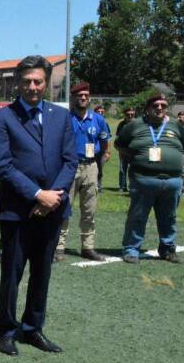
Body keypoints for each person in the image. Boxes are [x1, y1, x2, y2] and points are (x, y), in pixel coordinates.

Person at [0, 56, 77, 356]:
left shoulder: (61, 116)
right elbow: (3, 166)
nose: (33, 87)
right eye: (27, 81)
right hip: (18, 210)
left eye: (38, 81)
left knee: (42, 273)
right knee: (12, 273)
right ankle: (7, 329)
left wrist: (53, 198)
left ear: (46, 82)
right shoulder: (3, 118)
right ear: (18, 82)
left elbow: (70, 161)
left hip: (53, 208)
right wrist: (38, 195)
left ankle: (33, 328)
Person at [115, 93, 184, 264]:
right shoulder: (134, 125)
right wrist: (137, 157)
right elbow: (119, 144)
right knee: (137, 216)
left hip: (172, 181)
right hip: (143, 180)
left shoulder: (176, 125)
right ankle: (131, 250)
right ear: (147, 109)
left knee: (169, 217)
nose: (159, 108)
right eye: (155, 105)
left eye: (163, 105)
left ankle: (167, 249)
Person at [55, 83, 107, 262]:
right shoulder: (64, 118)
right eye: (79, 95)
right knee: (64, 207)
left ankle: (88, 247)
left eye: (85, 95)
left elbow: (104, 143)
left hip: (91, 166)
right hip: (69, 167)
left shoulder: (98, 119)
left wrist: (99, 167)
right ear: (72, 98)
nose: (82, 98)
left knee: (89, 209)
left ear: (89, 97)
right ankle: (59, 246)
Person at [115, 107, 136, 192]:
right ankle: (122, 187)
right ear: (125, 114)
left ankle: (133, 186)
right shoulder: (121, 124)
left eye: (132, 114)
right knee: (122, 169)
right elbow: (118, 137)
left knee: (134, 169)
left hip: (134, 150)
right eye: (128, 114)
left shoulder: (137, 124)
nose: (130, 116)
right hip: (123, 150)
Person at [91, 104, 111, 190]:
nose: (100, 113)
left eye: (102, 112)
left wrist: (108, 152)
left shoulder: (105, 123)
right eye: (98, 112)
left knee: (100, 169)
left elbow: (108, 138)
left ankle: (99, 186)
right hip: (92, 150)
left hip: (103, 151)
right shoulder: (91, 122)